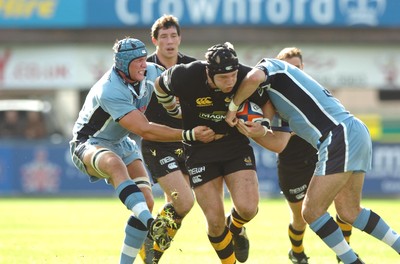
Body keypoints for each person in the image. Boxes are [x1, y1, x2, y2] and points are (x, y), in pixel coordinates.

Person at [225, 56, 400, 264]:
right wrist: (254, 132)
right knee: (349, 211)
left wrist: (232, 108)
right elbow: (279, 143)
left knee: (311, 211)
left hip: (338, 135)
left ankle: (352, 262)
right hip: (352, 131)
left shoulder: (271, 65)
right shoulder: (281, 101)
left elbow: (253, 78)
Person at [69, 37, 215, 264]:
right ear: (123, 64)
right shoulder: (110, 89)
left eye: (143, 59)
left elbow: (180, 88)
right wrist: (189, 134)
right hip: (90, 142)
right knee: (114, 164)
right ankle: (151, 224)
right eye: (137, 61)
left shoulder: (152, 72)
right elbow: (144, 129)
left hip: (121, 142)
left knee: (146, 201)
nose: (143, 64)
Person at [154, 42, 290, 263]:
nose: (231, 82)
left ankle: (235, 228)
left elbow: (267, 101)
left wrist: (263, 124)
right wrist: (172, 110)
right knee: (215, 223)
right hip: (199, 151)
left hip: (235, 145)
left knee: (248, 208)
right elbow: (159, 85)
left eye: (233, 76)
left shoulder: (246, 76)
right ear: (209, 74)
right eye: (224, 78)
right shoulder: (185, 75)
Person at [274, 47, 356, 264]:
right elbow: (276, 141)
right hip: (291, 164)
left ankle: (343, 253)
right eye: (290, 68)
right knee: (301, 219)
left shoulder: (314, 93)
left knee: (343, 204)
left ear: (303, 69)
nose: (295, 71)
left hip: (321, 157)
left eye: (298, 67)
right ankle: (297, 253)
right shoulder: (274, 100)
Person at [139, 14, 197, 263]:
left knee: (176, 207)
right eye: (164, 36)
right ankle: (148, 246)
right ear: (155, 40)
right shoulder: (144, 69)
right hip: (157, 143)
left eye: (173, 36)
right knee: (183, 201)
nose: (169, 41)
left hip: (188, 142)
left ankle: (152, 255)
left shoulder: (193, 68)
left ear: (180, 38)